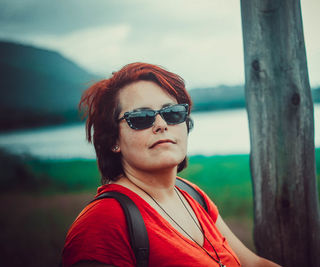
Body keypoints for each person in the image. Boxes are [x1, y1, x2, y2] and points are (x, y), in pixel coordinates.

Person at [62, 62, 280, 267]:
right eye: (140, 117)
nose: (161, 124)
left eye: (172, 113)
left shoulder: (192, 195)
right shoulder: (100, 224)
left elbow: (254, 263)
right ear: (113, 140)